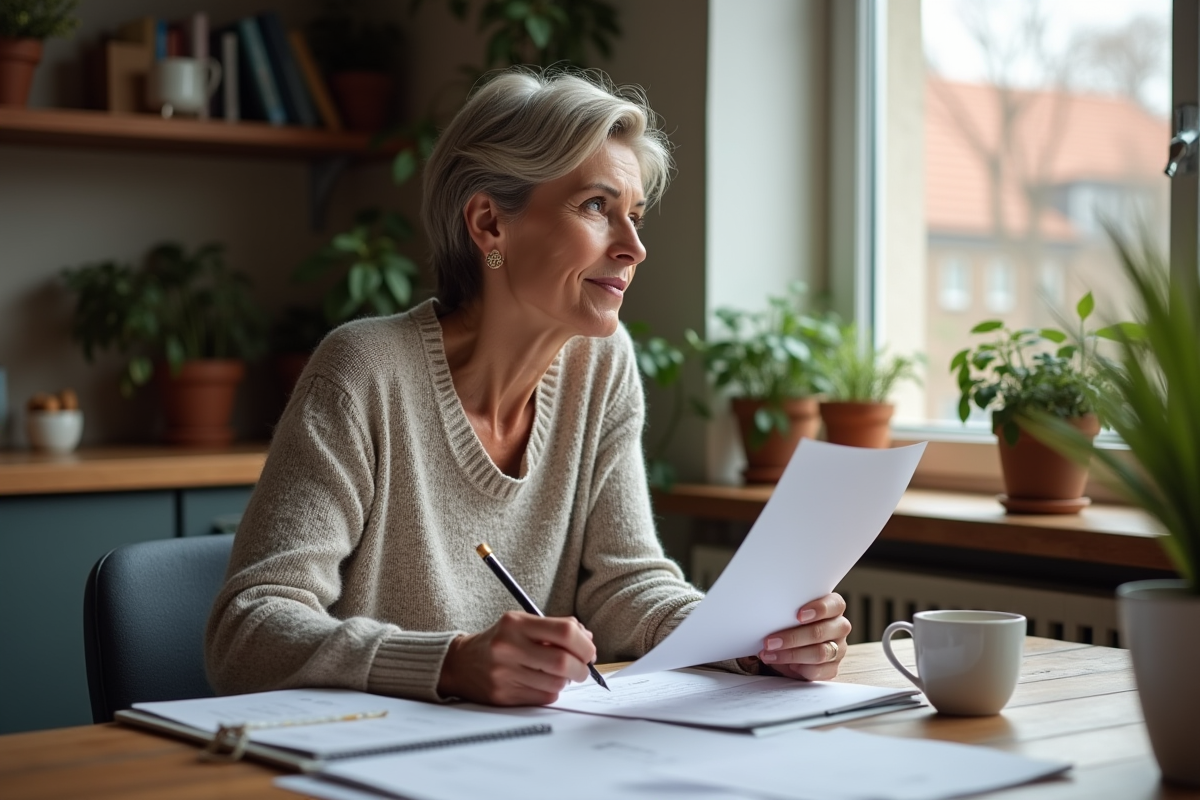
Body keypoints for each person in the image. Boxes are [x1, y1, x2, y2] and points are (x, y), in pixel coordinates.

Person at [205, 67, 851, 707]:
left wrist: (747, 639)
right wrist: (450, 663)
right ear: (489, 224)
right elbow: (247, 629)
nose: (633, 248)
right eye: (597, 207)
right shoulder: (362, 374)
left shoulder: (603, 366)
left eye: (636, 216)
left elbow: (623, 583)